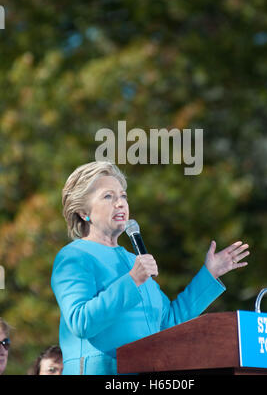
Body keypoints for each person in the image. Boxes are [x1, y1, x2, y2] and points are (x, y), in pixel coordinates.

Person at [51, 161, 249, 375]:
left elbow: (168, 323)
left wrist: (209, 274)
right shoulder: (74, 257)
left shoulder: (132, 259)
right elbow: (81, 322)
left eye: (123, 196)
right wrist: (132, 280)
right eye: (108, 196)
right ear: (83, 212)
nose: (120, 204)